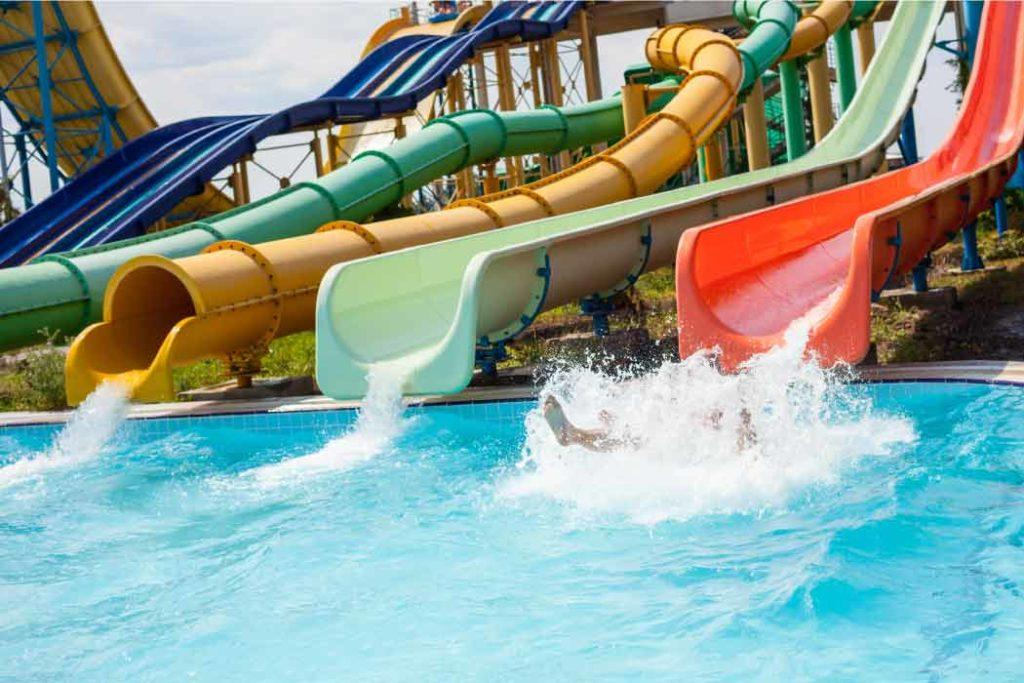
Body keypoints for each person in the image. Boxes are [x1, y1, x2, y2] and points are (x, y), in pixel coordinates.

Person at [542, 394, 756, 453]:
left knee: (632, 439)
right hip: (672, 443)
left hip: (678, 454)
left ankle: (575, 435)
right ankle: (577, 435)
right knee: (632, 435)